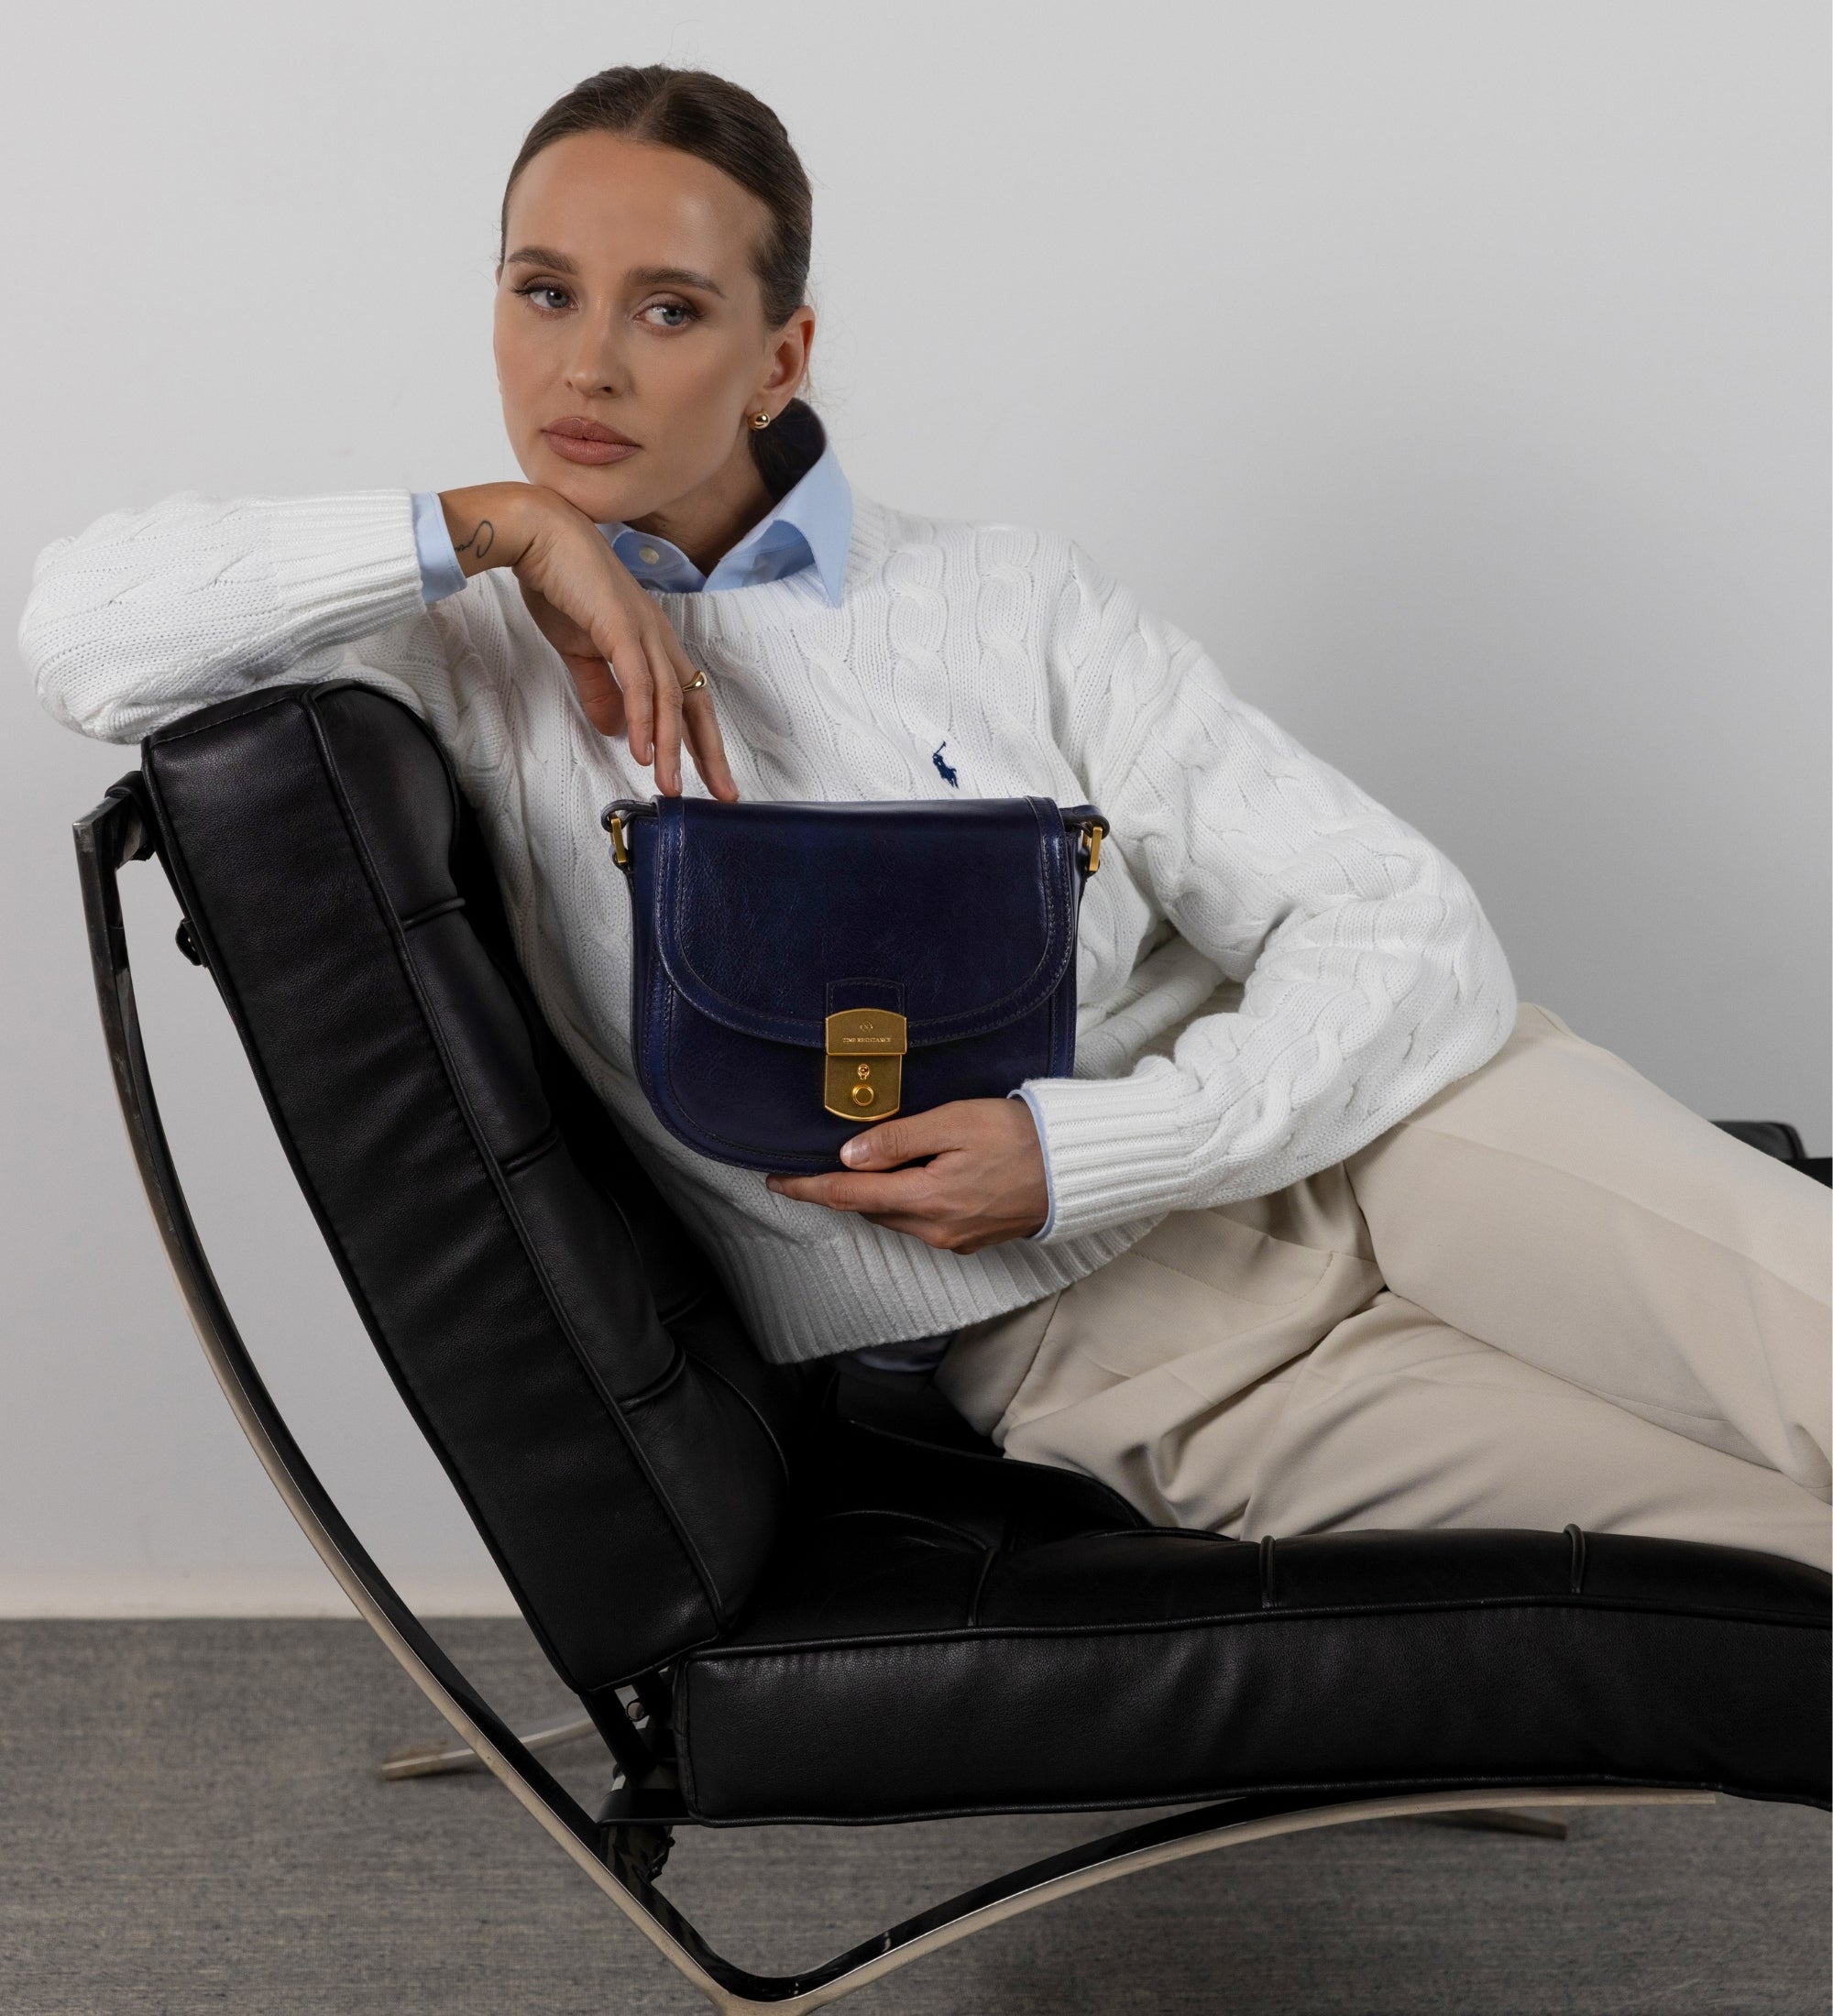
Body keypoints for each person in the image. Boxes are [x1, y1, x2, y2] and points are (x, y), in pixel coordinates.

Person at [21, 65, 1828, 1572]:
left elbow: (1396, 917)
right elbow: (78, 629)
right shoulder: (452, 658)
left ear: (781, 353)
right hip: (1108, 1350)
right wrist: (494, 528)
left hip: (1404, 1131)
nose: (585, 368)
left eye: (669, 309)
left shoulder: (1006, 594)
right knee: (1775, 1566)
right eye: (542, 291)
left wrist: (1098, 1143)